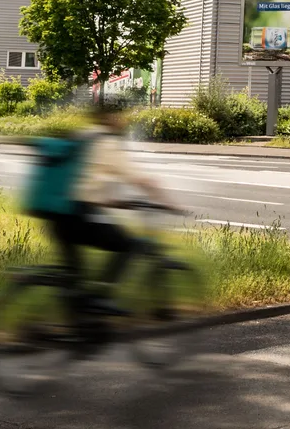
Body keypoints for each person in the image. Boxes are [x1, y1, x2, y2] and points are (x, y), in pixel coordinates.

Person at [24, 100, 176, 310]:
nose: (125, 120)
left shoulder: (84, 136)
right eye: (121, 115)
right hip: (78, 215)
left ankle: (72, 329)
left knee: (74, 277)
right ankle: (102, 296)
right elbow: (141, 180)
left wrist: (118, 202)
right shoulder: (108, 143)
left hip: (55, 213)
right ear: (111, 117)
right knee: (128, 245)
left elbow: (84, 180)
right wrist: (168, 203)